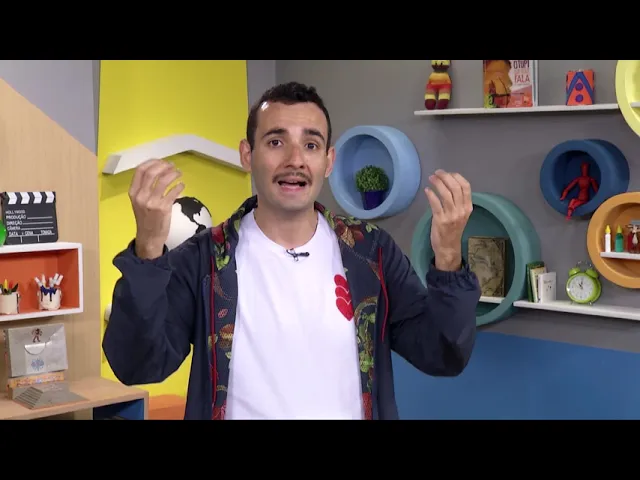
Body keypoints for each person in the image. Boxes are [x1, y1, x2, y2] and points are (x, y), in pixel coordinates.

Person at [102, 81, 481, 420]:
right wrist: (148, 248)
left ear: (328, 161)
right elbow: (137, 365)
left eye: (311, 145)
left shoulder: (371, 252)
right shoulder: (204, 260)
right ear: (247, 154)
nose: (295, 160)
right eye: (276, 142)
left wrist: (448, 256)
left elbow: (443, 354)